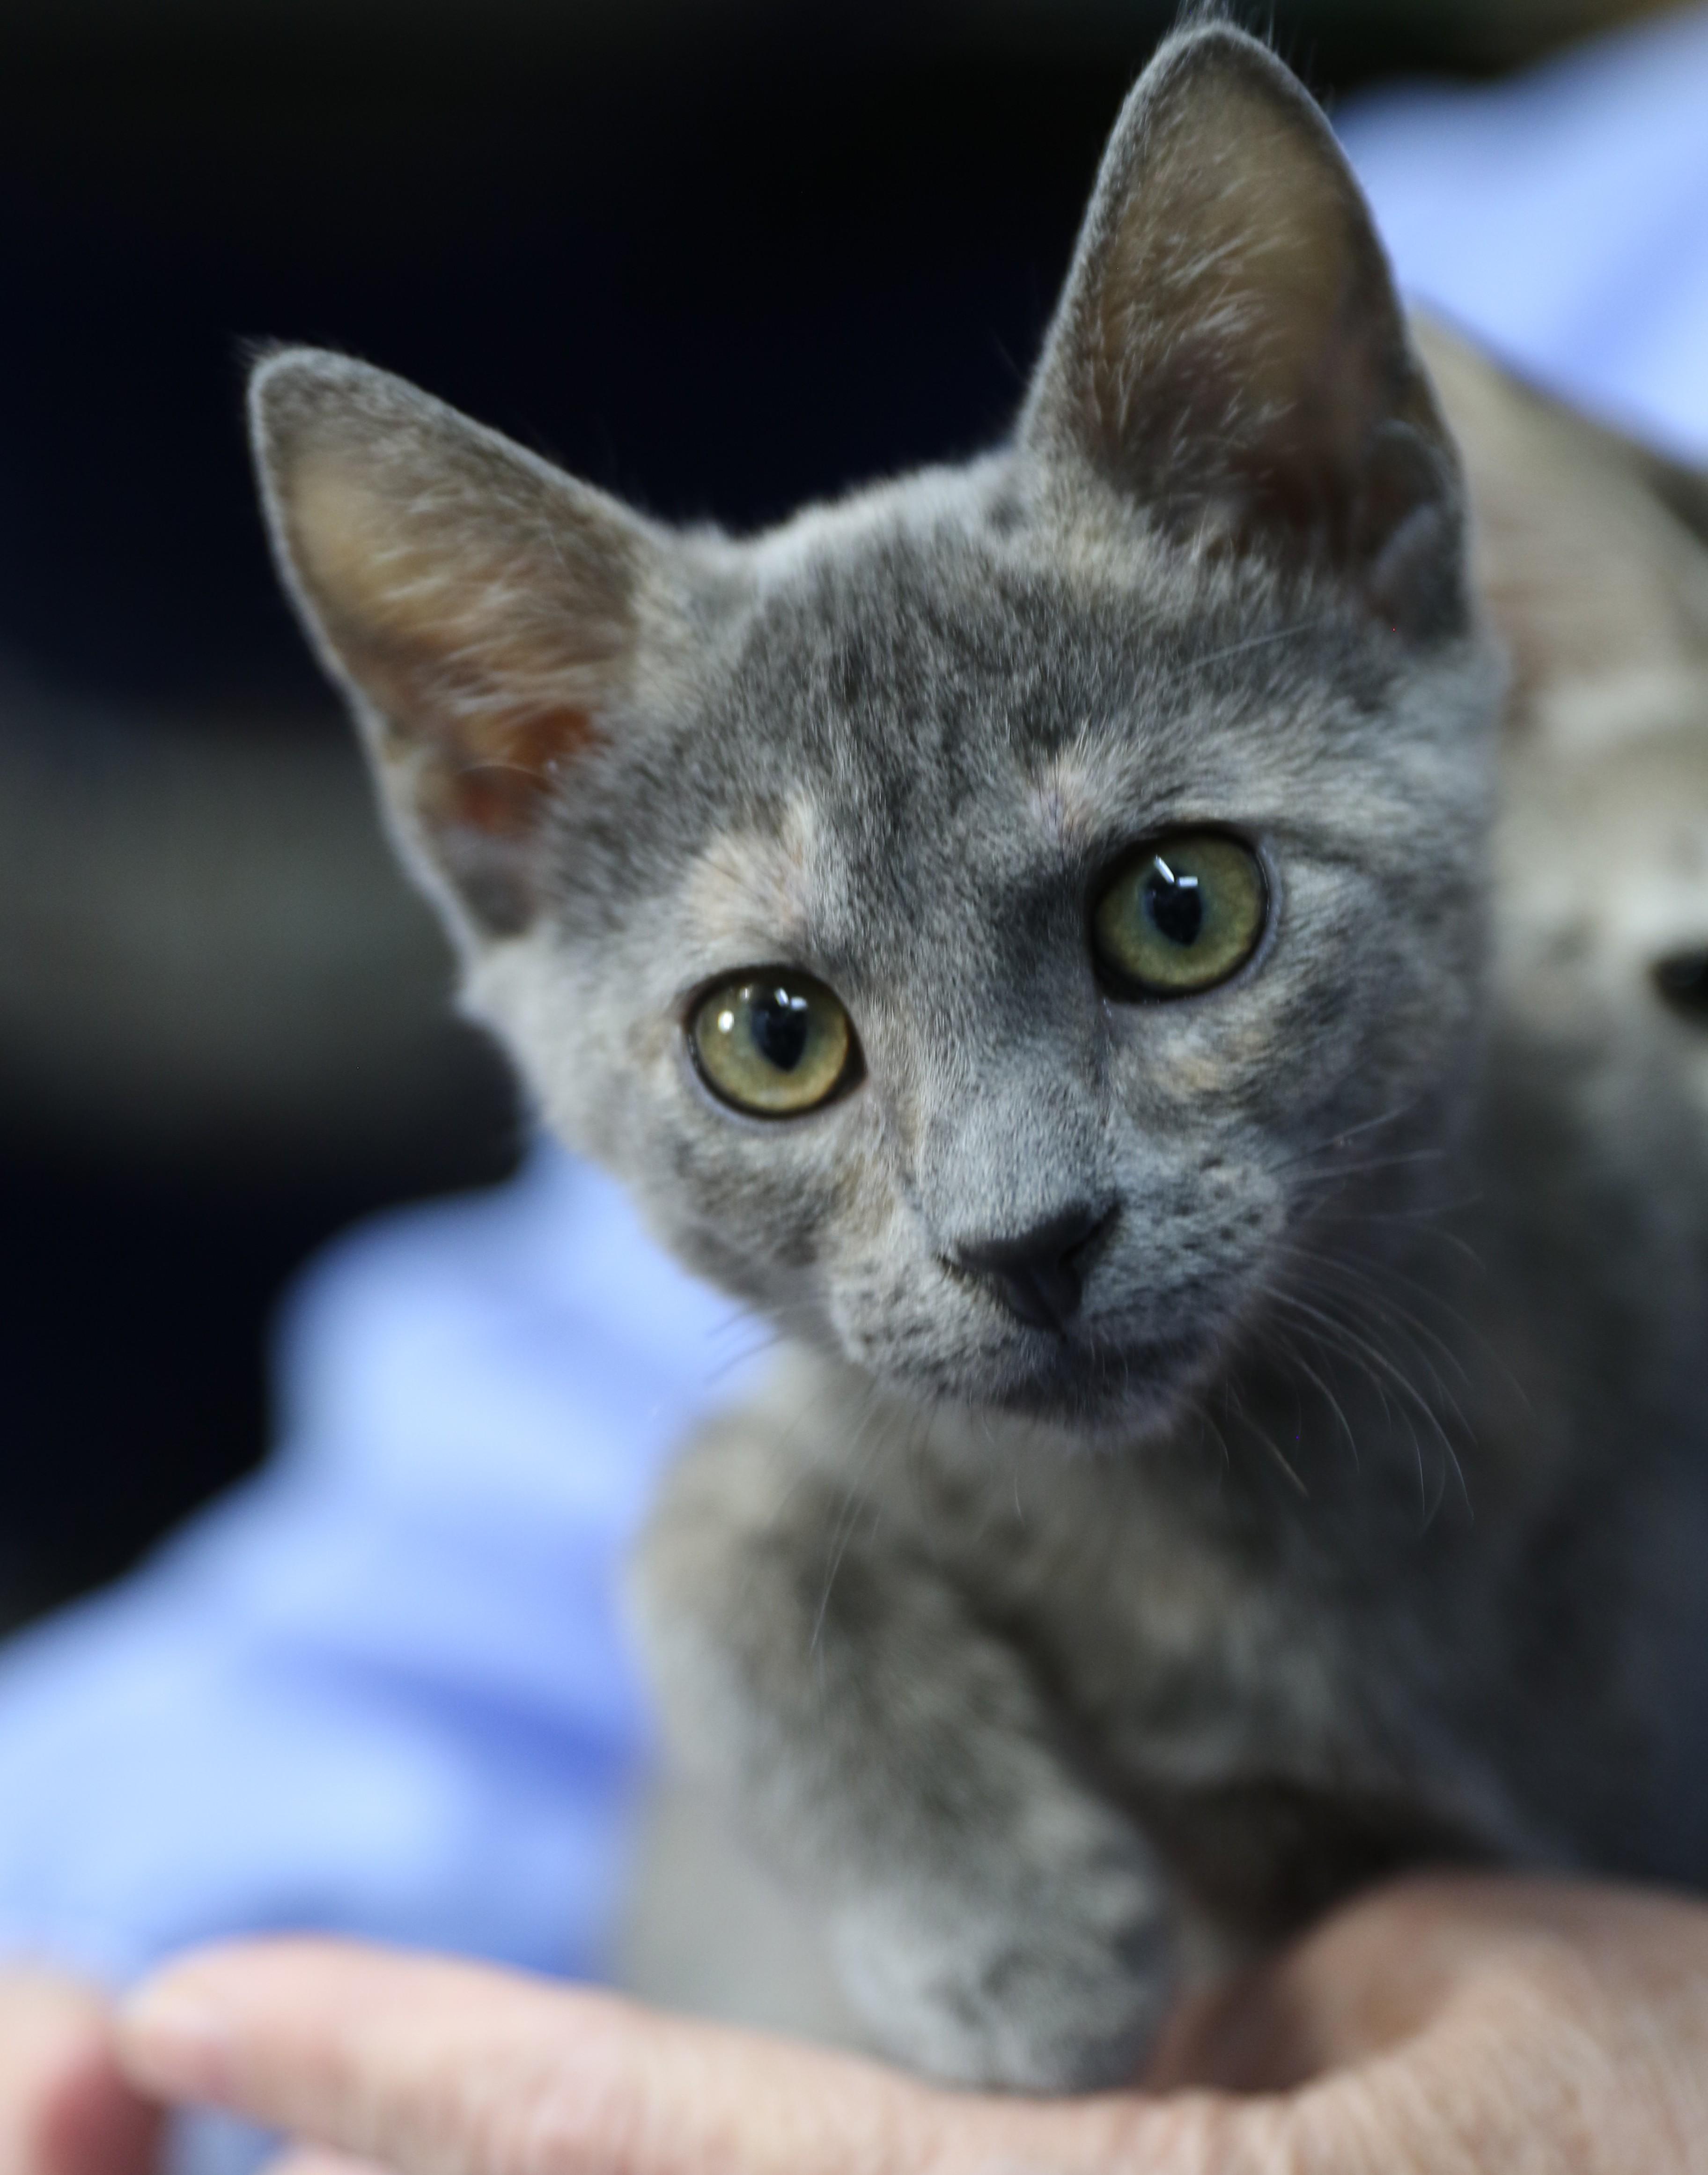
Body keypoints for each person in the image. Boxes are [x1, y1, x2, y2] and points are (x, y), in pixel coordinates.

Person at [1, 6, 1707, 2170]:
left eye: (1170, 917)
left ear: (1352, 552)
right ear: (500, 827)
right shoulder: (1552, 224)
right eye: (778, 1040)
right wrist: (90, 1970)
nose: (1007, 1208)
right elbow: (489, 1525)